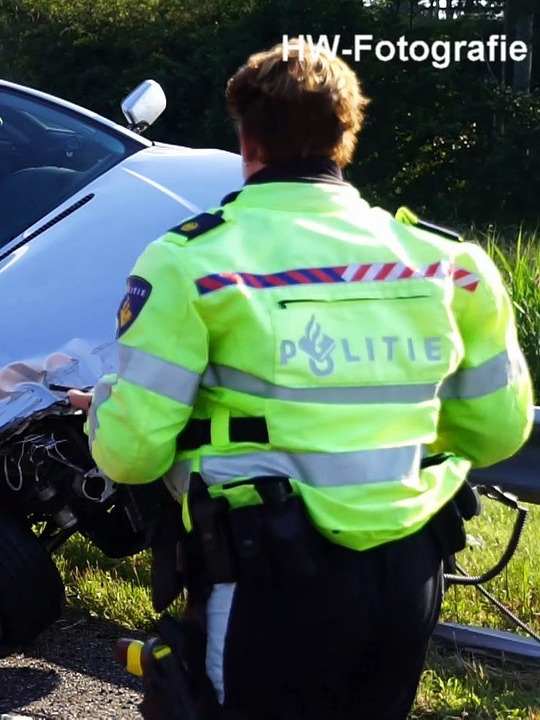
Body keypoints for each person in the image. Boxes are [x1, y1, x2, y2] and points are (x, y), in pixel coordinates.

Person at [69, 41, 534, 720]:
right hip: (410, 568)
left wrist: (102, 406)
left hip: (268, 574)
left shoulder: (192, 262)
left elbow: (133, 453)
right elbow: (499, 431)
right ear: (348, 134)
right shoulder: (450, 263)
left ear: (245, 137)